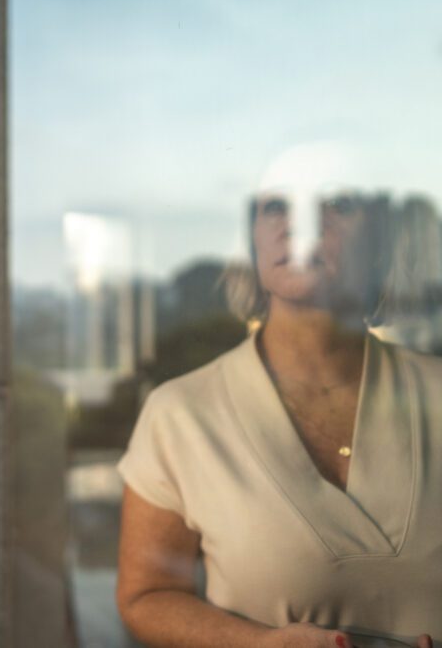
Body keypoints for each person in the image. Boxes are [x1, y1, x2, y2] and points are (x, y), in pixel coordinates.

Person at [116, 190, 440, 647]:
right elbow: (147, 596)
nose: (300, 224)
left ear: (381, 242)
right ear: (253, 243)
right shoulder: (180, 415)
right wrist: (256, 644)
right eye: (275, 206)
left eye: (339, 203)